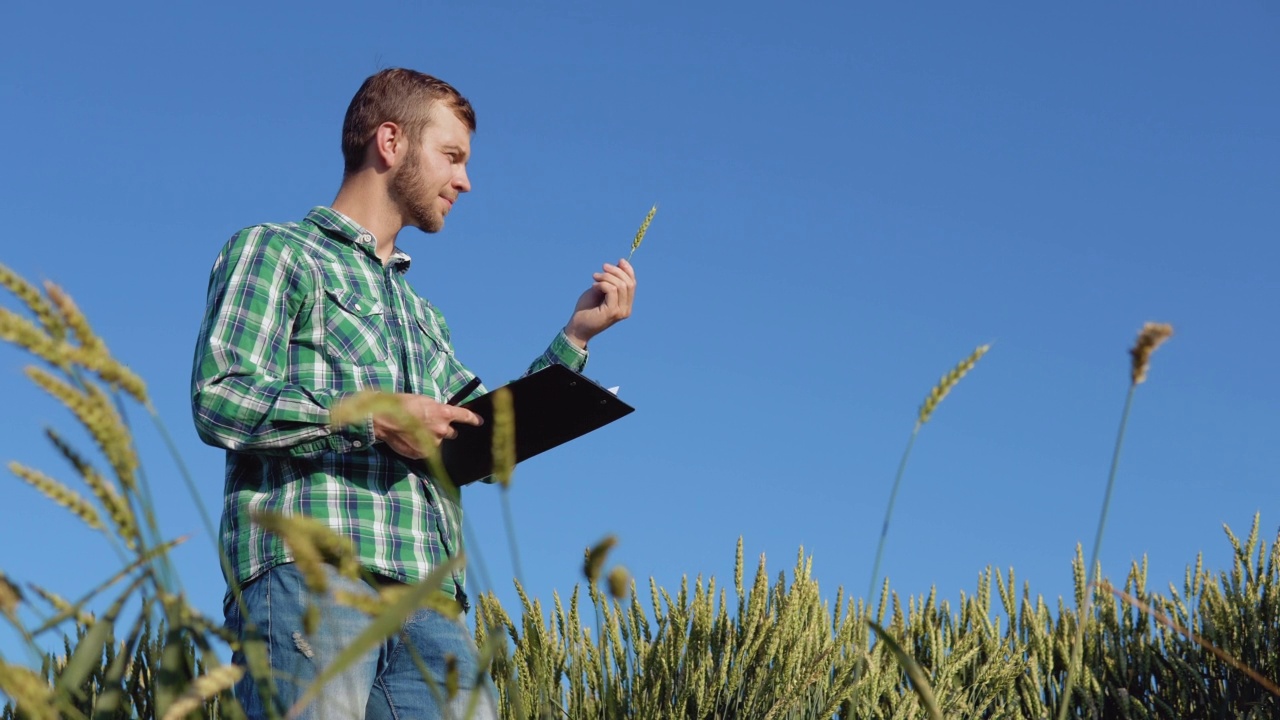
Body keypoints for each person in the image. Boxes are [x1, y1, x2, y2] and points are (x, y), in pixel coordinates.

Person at [191, 68, 637, 720]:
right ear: (391, 142)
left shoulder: (423, 315)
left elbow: (484, 431)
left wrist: (576, 336)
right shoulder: (276, 252)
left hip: (432, 605)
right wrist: (370, 421)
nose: (465, 181)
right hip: (313, 579)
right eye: (452, 156)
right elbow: (219, 395)